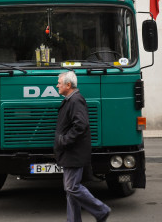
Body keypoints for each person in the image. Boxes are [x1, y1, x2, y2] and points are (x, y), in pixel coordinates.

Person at [54, 71, 111, 222]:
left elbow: (81, 125)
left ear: (68, 85)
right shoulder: (70, 99)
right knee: (70, 190)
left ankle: (101, 210)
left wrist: (65, 140)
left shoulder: (75, 100)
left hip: (74, 152)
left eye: (59, 83)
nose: (57, 85)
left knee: (72, 187)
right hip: (70, 152)